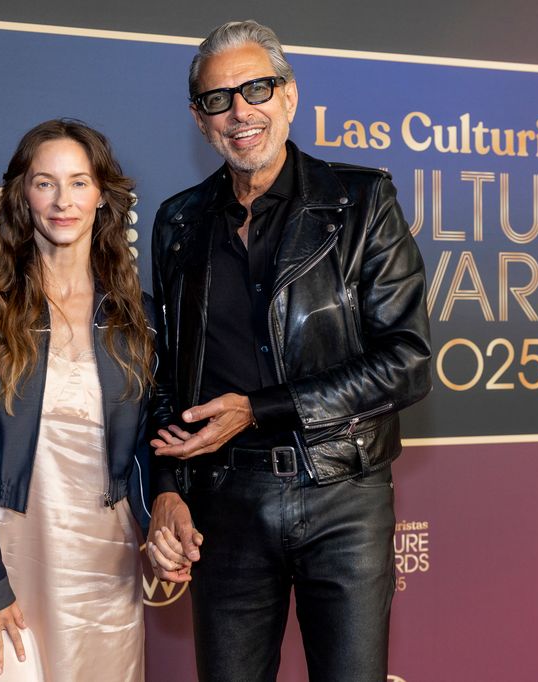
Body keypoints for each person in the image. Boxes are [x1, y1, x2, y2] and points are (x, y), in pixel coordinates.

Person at [146, 20, 432, 682]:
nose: (240, 112)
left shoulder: (360, 202)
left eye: (257, 89)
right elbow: (165, 378)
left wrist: (259, 408)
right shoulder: (178, 223)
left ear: (290, 95)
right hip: (224, 504)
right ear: (199, 118)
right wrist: (165, 489)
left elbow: (407, 361)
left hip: (342, 497)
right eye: (218, 99)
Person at [0, 119, 153, 680]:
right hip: (7, 555)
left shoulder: (138, 316)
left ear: (102, 196)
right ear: (22, 195)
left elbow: (152, 442)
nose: (62, 201)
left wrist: (162, 526)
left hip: (105, 567)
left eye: (79, 182)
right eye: (44, 183)